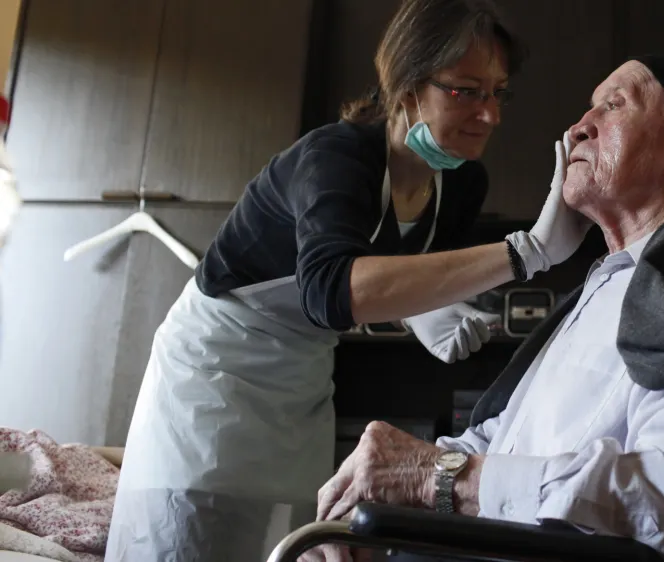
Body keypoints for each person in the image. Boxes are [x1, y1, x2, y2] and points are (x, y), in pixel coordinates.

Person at [308, 55, 664, 562]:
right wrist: (381, 493)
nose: (579, 126)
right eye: (588, 107)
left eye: (614, 105)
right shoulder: (601, 286)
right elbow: (499, 439)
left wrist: (439, 477)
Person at [104, 0, 594, 560]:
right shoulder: (334, 158)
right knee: (182, 534)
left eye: (497, 93)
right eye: (466, 91)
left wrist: (423, 307)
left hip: (303, 374)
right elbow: (330, 291)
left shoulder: (462, 185)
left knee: (291, 540)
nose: (489, 115)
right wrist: (526, 252)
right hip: (214, 369)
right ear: (407, 85)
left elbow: (406, 276)